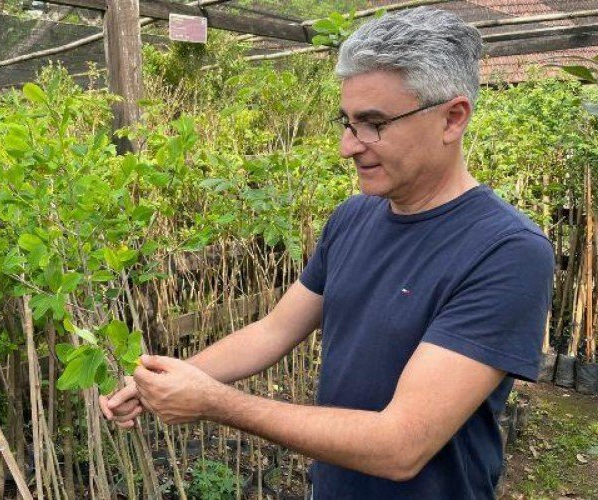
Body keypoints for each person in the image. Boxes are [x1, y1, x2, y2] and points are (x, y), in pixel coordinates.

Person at [100, 7, 554, 499]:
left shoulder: (506, 253)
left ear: (452, 118)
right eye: (348, 121)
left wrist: (216, 403)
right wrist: (170, 378)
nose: (347, 146)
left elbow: (401, 445)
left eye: (373, 123)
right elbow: (272, 331)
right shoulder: (354, 217)